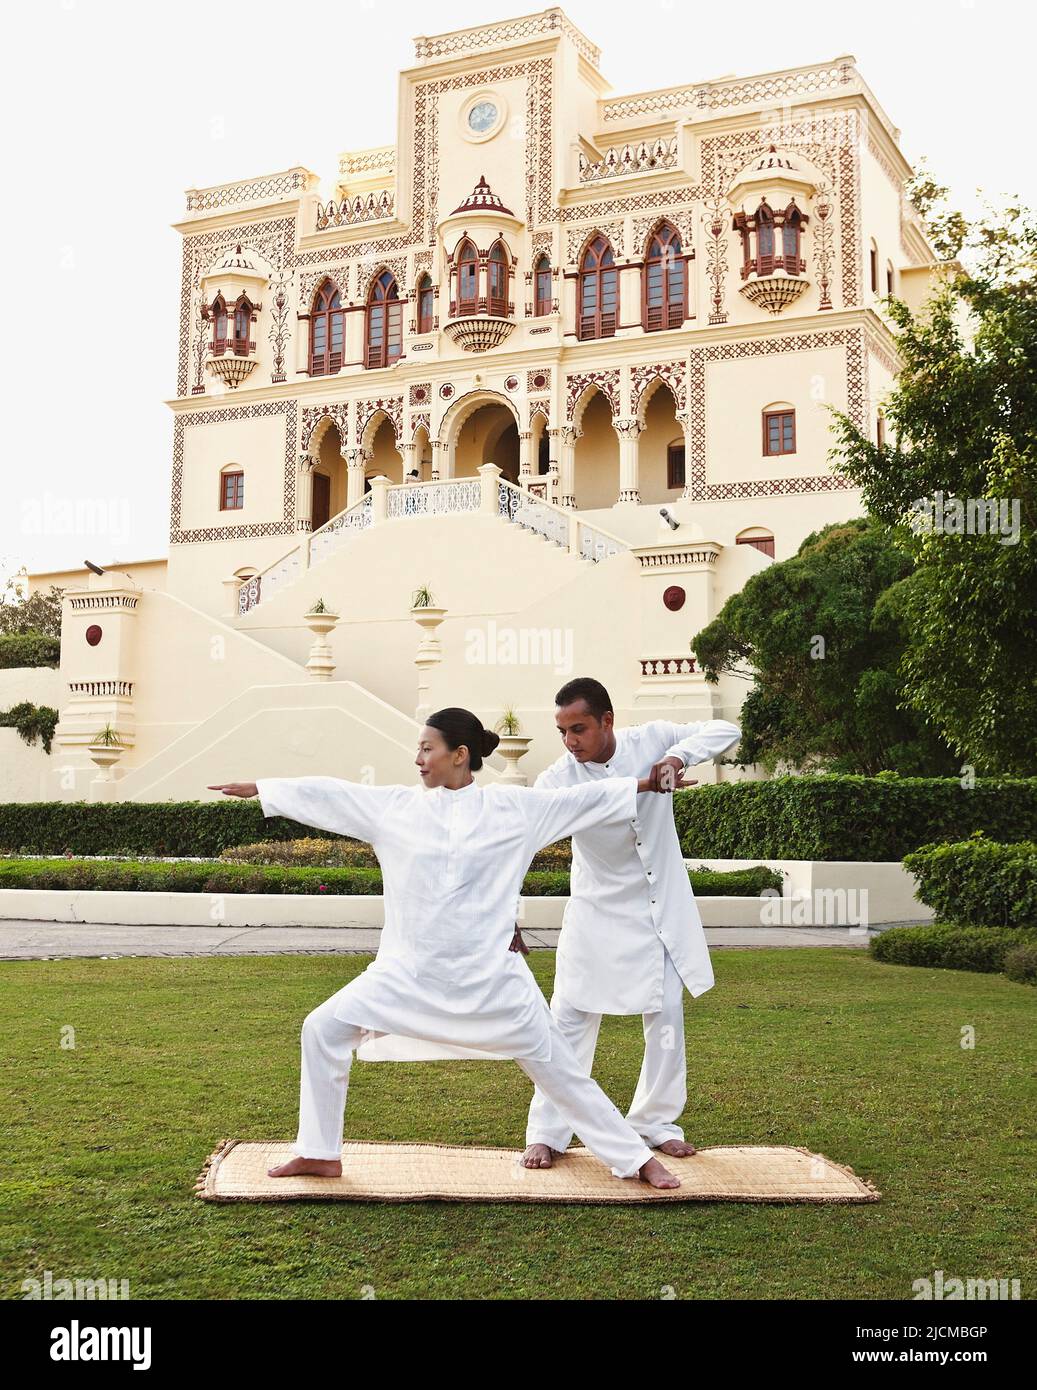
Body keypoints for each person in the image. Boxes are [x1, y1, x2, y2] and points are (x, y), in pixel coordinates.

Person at [207, 707, 685, 1189]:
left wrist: (646, 785)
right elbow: (333, 793)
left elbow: (585, 799)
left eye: (426, 748)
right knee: (322, 1031)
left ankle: (636, 1159)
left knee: (561, 1072)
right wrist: (265, 788)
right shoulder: (395, 808)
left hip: (493, 982)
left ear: (460, 755)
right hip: (405, 977)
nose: (417, 758)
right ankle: (318, 1153)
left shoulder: (514, 809)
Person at [520, 677, 741, 1170]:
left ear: (607, 721)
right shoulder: (557, 779)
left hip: (657, 911)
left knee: (666, 1015)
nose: (570, 740)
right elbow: (527, 832)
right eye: (562, 731)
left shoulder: (650, 739)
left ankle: (655, 1123)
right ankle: (548, 1132)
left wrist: (677, 758)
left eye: (578, 728)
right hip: (595, 911)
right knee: (569, 1018)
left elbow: (725, 728)